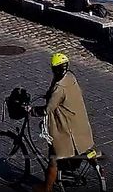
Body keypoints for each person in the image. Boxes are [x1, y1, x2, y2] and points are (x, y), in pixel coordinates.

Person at [30, 53, 96, 192]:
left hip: (68, 129)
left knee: (54, 156)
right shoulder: (71, 77)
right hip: (80, 125)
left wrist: (31, 110)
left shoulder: (59, 89)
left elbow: (47, 110)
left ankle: (46, 188)